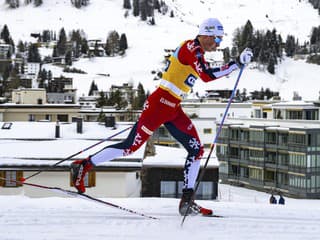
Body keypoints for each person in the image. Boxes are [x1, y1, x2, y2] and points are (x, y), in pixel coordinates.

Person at [71, 18, 253, 216]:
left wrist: (235, 64)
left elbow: (207, 71)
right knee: (130, 146)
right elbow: (207, 76)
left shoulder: (197, 51)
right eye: (217, 39)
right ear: (207, 34)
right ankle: (83, 166)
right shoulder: (192, 49)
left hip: (173, 107)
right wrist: (236, 64)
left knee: (196, 150)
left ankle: (187, 201)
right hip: (160, 105)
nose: (218, 44)